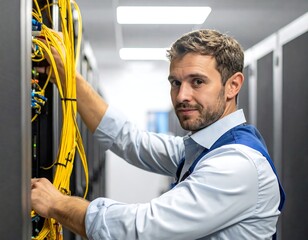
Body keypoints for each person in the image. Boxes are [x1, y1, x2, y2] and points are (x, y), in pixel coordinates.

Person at [31, 29, 285, 240]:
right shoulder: (206, 148)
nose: (182, 95)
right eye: (175, 82)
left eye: (197, 81)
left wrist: (57, 204)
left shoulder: (235, 165)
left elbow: (140, 230)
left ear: (233, 85)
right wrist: (67, 77)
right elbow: (130, 141)